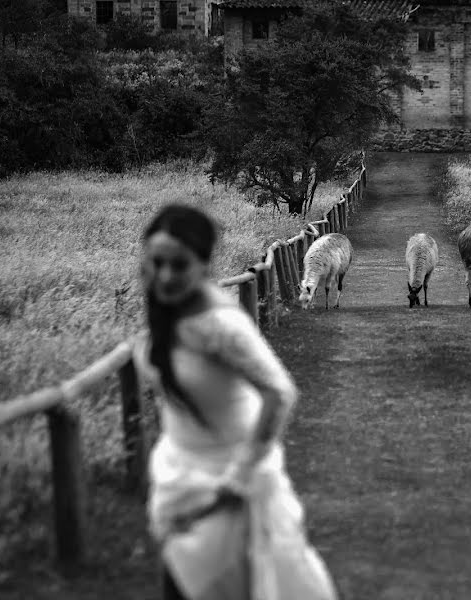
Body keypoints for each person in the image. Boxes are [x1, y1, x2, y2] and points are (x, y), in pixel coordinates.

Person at [131, 204, 338, 600]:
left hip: (228, 481)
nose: (166, 275)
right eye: (157, 263)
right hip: (178, 474)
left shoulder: (221, 324)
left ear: (204, 265)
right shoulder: (165, 314)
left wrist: (241, 474)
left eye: (180, 265)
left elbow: (280, 393)